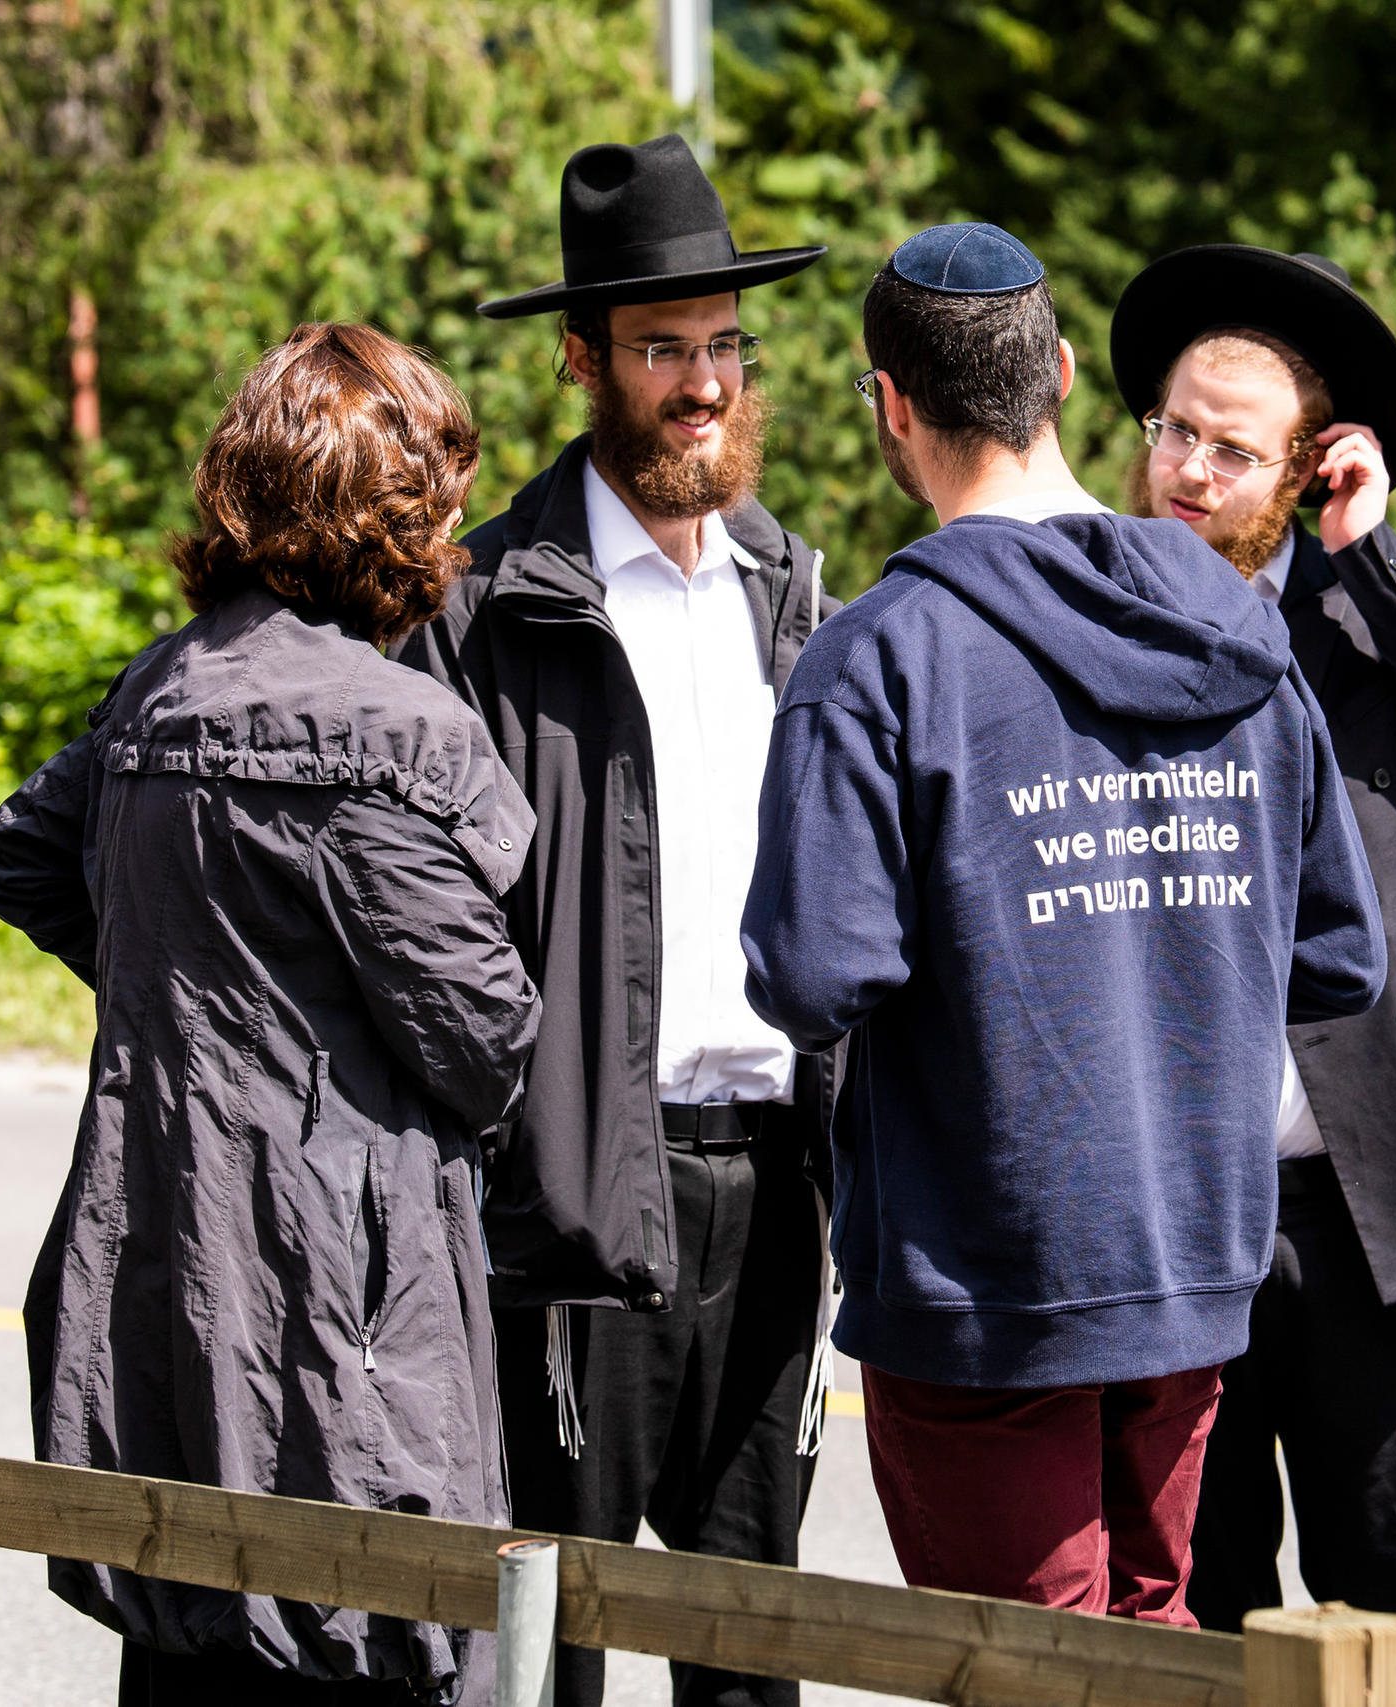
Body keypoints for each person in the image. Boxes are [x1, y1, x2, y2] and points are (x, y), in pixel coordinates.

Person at [739, 223, 1387, 1627]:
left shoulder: (880, 656)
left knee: (1029, 1669)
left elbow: (812, 971)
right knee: (1152, 1650)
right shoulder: (1236, 633)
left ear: (892, 404)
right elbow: (1341, 956)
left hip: (988, 1272)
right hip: (1195, 1260)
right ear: (1068, 377)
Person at [0, 323, 541, 1707]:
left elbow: (18, 854)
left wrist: (186, 991)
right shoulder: (391, 728)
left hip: (165, 1250)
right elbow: (484, 1039)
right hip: (337, 1289)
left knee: (186, 1633)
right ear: (404, 511)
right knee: (361, 1633)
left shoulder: (167, 683)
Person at [392, 134, 837, 1707]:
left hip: (781, 1181)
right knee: (551, 1646)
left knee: (747, 1644)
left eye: (726, 345)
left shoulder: (793, 594)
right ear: (585, 362)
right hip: (582, 1183)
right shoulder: (485, 604)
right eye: (664, 349)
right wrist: (517, 1116)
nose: (704, 382)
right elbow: (419, 918)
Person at [1107, 245, 1396, 1675]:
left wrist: (1381, 557)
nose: (1187, 470)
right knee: (1204, 1618)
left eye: (1232, 449)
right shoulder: (1089, 608)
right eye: (1173, 428)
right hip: (1182, 1208)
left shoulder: (1368, 616)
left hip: (1382, 1204)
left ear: (1309, 470)